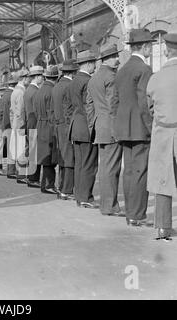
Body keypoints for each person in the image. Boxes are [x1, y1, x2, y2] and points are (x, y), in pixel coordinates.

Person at [115, 29, 155, 227]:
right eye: (150, 45)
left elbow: (115, 101)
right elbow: (145, 103)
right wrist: (151, 128)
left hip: (124, 128)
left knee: (129, 171)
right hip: (140, 129)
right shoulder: (145, 69)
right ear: (145, 46)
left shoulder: (122, 70)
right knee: (140, 172)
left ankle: (130, 212)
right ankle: (137, 215)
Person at [87, 44, 125, 216]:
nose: (118, 59)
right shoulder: (112, 77)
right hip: (112, 127)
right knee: (112, 168)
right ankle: (110, 206)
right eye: (115, 56)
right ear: (108, 59)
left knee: (105, 167)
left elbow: (89, 106)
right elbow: (113, 105)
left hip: (100, 126)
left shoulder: (94, 78)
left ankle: (106, 204)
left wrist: (92, 126)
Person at [146, 33, 177, 240]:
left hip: (163, 132)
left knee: (163, 180)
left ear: (166, 51)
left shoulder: (155, 78)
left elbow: (150, 109)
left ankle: (163, 227)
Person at [67, 50, 98, 209]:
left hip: (76, 125)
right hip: (87, 126)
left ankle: (79, 196)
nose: (95, 65)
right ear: (87, 64)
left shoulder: (72, 81)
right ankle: (86, 197)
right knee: (89, 164)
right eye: (93, 62)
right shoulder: (88, 81)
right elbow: (89, 106)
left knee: (79, 163)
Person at [52, 59, 79, 200]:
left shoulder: (56, 86)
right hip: (67, 126)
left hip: (58, 125)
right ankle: (67, 190)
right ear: (73, 72)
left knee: (62, 157)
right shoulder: (69, 86)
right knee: (69, 158)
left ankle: (61, 186)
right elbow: (70, 108)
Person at [32, 65, 59, 194]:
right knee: (50, 157)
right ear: (55, 77)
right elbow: (53, 112)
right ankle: (48, 184)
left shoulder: (39, 91)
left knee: (44, 155)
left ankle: (46, 183)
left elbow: (36, 111)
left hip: (40, 124)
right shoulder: (52, 91)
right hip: (49, 125)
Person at [9, 70, 31, 183]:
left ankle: (20, 174)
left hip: (16, 124)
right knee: (22, 150)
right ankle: (21, 176)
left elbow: (12, 111)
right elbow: (21, 111)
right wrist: (22, 126)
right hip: (20, 125)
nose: (30, 79)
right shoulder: (21, 92)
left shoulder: (15, 91)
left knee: (18, 149)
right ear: (24, 78)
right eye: (28, 78)